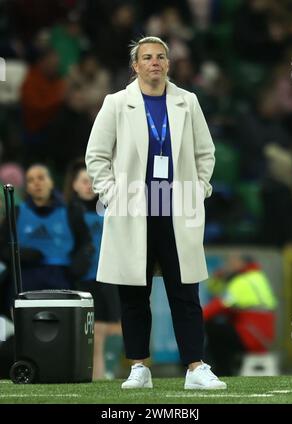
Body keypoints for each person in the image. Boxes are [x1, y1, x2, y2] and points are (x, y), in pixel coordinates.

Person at [85, 36, 226, 390]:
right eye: (147, 57)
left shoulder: (187, 102)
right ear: (135, 66)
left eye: (161, 56)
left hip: (176, 207)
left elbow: (205, 153)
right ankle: (138, 367)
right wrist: (111, 194)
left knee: (185, 291)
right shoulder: (117, 103)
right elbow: (97, 156)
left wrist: (200, 190)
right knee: (134, 292)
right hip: (133, 207)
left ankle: (195, 367)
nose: (154, 62)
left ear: (168, 63)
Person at [64, 159, 123, 380]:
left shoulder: (109, 207)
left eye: (92, 181)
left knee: (117, 326)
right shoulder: (69, 213)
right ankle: (98, 376)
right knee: (96, 332)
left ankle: (108, 372)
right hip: (87, 278)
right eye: (83, 181)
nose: (88, 185)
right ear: (74, 185)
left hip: (111, 274)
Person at [0, 164, 93, 299]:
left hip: (61, 281)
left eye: (41, 178)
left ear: (51, 182)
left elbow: (85, 243)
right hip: (24, 280)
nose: (37, 183)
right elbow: (3, 248)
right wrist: (18, 254)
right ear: (27, 187)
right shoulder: (16, 213)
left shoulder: (71, 213)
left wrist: (79, 264)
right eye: (31, 180)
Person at [203, 255, 278, 376]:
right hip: (261, 334)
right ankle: (225, 368)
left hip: (252, 334)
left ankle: (223, 372)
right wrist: (218, 277)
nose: (227, 267)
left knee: (214, 329)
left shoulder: (242, 281)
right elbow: (214, 290)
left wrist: (197, 318)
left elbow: (219, 304)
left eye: (232, 263)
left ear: (242, 264)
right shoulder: (255, 276)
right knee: (221, 328)